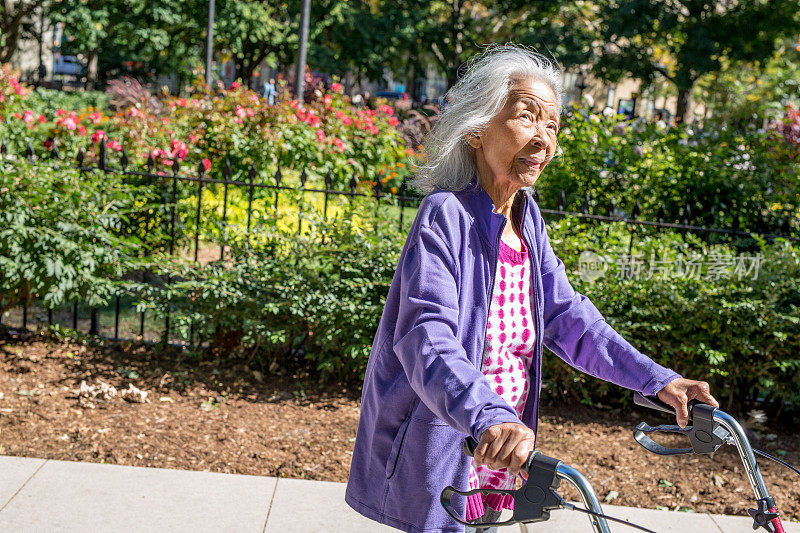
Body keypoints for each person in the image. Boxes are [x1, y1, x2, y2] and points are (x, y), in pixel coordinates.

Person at [345, 44, 718, 533]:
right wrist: (489, 415)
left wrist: (657, 380)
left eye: (552, 125)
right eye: (527, 117)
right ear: (478, 129)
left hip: (498, 445)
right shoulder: (446, 215)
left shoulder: (526, 219)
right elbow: (425, 336)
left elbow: (568, 318)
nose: (544, 138)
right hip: (451, 436)